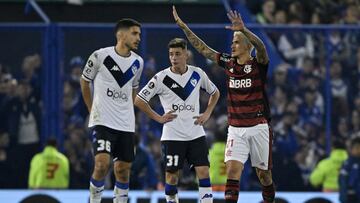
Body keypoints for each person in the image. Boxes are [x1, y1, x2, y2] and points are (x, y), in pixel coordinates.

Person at [173, 7, 276, 203]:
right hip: (236, 128)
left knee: (264, 176)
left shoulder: (258, 64)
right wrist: (185, 28)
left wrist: (244, 30)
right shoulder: (229, 63)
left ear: (247, 46)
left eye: (236, 42)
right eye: (232, 42)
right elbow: (204, 49)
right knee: (232, 171)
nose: (232, 45)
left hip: (258, 127)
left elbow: (262, 48)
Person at [134, 38, 220, 203]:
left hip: (195, 133)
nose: (173, 57)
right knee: (172, 177)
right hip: (173, 135)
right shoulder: (161, 78)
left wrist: (207, 113)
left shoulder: (197, 73)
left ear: (186, 55)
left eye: (177, 54)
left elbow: (215, 93)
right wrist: (158, 118)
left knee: (203, 172)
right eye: (171, 54)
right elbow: (139, 100)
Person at [80, 18, 143, 203]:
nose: (138, 38)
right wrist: (92, 109)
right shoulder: (100, 56)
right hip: (103, 121)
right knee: (101, 165)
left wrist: (130, 114)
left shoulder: (138, 62)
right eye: (134, 33)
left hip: (125, 124)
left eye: (139, 34)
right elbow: (85, 81)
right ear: (121, 35)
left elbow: (134, 89)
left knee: (123, 171)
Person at [339, 137, 360, 203]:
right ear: (351, 149)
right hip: (351, 197)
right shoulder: (347, 163)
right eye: (357, 148)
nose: (359, 150)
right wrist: (343, 197)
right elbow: (343, 181)